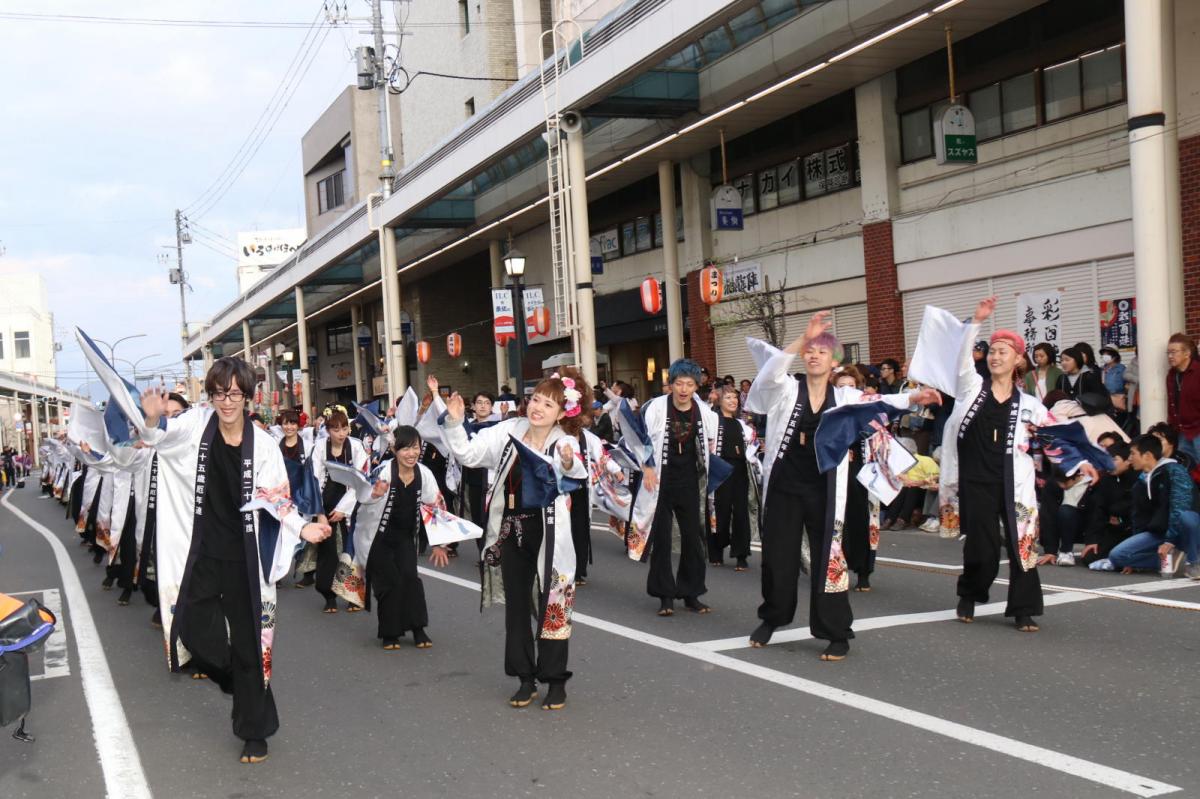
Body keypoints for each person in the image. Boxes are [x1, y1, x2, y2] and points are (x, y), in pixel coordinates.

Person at [139, 358, 331, 764]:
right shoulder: (194, 425)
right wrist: (152, 419)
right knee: (189, 628)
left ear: (247, 395)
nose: (226, 402)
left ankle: (254, 731)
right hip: (202, 551)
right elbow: (160, 438)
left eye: (234, 393)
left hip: (244, 556)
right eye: (219, 393)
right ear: (210, 395)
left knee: (248, 643)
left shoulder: (262, 444)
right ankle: (233, 678)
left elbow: (279, 497)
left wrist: (302, 528)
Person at [745, 313, 939, 659]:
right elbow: (768, 375)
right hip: (785, 484)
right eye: (810, 350)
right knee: (779, 556)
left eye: (822, 351)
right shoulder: (787, 388)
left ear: (835, 361)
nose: (815, 355)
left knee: (829, 557)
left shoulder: (846, 396)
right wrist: (803, 337)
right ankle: (772, 618)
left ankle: (835, 631)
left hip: (825, 487)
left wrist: (913, 399)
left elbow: (878, 403)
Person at [937, 298, 1100, 633]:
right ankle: (970, 593)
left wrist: (1082, 461)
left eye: (1003, 352)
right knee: (981, 547)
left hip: (1016, 482)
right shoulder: (971, 389)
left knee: (1022, 544)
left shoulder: (1030, 406)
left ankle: (1023, 609)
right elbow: (961, 361)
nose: (995, 356)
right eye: (993, 351)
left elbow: (1056, 438)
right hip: (975, 480)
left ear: (1017, 360)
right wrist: (976, 323)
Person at [441, 370, 588, 711]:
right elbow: (469, 454)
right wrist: (455, 421)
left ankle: (555, 680)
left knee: (554, 604)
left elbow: (573, 465)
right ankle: (525, 678)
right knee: (518, 608)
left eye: (548, 404)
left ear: (561, 412)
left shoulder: (563, 438)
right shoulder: (509, 430)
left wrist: (566, 461)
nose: (538, 407)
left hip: (549, 531)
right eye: (536, 399)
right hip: (512, 528)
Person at [628, 359, 720, 617]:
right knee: (663, 538)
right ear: (671, 384)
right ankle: (665, 595)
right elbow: (637, 439)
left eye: (689, 384)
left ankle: (691, 593)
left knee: (694, 538)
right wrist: (646, 466)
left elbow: (712, 442)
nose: (683, 389)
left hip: (690, 480)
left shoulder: (703, 412)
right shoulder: (655, 407)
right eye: (679, 383)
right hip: (660, 480)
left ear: (696, 387)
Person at [352, 425, 450, 649]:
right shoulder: (383, 471)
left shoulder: (424, 474)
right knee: (388, 583)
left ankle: (418, 628)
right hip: (378, 537)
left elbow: (437, 507)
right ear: (394, 449)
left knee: (410, 579)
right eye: (405, 448)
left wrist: (439, 544)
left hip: (406, 536)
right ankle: (390, 632)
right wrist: (373, 494)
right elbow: (360, 492)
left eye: (415, 447)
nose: (411, 453)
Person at [1093, 434, 1200, 579]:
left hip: (1182, 530)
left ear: (1147, 455)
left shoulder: (1176, 471)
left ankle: (1193, 562)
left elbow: (1180, 508)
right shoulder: (1140, 483)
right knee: (1117, 556)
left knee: (1187, 517)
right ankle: (1169, 558)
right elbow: (1139, 518)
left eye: (1133, 453)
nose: (1130, 458)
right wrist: (1133, 558)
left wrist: (1169, 541)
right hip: (1158, 531)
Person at [309, 411, 368, 613]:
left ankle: (353, 594)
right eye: (336, 430)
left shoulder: (357, 447)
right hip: (326, 503)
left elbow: (361, 479)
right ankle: (329, 595)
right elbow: (314, 480)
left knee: (351, 549)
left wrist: (344, 509)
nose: (341, 433)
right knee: (328, 550)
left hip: (351, 503)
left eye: (344, 428)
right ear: (327, 430)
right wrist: (319, 512)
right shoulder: (319, 447)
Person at [707, 385, 758, 571]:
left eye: (735, 398)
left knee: (741, 512)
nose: (732, 401)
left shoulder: (742, 424)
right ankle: (716, 550)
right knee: (719, 510)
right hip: (720, 470)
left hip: (739, 470)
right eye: (728, 397)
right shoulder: (713, 420)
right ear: (719, 400)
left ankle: (741, 554)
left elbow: (752, 448)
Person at [1080, 442, 1137, 566]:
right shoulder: (1105, 479)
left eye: (1114, 459)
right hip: (1112, 530)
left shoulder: (1138, 479)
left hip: (1133, 530)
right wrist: (1093, 540)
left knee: (1124, 559)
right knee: (1090, 558)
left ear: (1128, 461)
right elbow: (1097, 511)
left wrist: (1118, 514)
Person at [1166, 333, 1200, 463]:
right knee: (1186, 470)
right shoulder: (1171, 375)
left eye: (1174, 352)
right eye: (1168, 352)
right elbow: (1171, 404)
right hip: (1182, 432)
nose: (1170, 356)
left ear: (1187, 353)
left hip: (1198, 429)